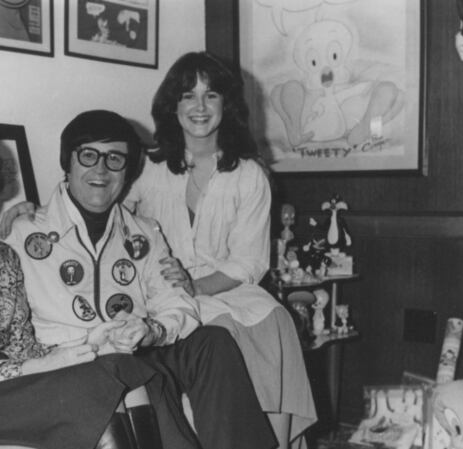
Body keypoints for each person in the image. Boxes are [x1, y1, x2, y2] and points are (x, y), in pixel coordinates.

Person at [0, 122, 192, 449]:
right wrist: (39, 366)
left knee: (125, 366)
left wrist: (90, 343)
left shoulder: (2, 257)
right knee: (89, 390)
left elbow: (23, 348)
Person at [3, 110, 277, 449]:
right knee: (131, 371)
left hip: (137, 351)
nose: (101, 170)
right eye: (88, 155)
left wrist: (152, 331)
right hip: (76, 360)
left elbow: (177, 303)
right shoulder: (22, 233)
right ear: (67, 163)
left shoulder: (144, 233)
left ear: (128, 172)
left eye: (115, 159)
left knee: (212, 342)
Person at [127, 51, 317, 449]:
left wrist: (196, 286)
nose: (199, 106)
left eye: (210, 95)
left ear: (225, 104)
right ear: (172, 105)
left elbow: (249, 261)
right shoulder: (145, 167)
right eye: (188, 95)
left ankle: (276, 442)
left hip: (224, 287)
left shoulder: (248, 174)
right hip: (161, 292)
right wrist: (27, 213)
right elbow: (105, 212)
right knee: (223, 334)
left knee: (276, 319)